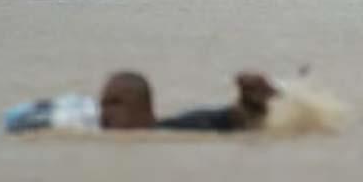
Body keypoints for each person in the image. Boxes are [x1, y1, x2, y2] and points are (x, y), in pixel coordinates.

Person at [99, 71, 279, 132]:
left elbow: (240, 117)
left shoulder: (188, 126)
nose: (105, 113)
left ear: (143, 107)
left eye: (116, 103)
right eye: (103, 104)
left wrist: (251, 100)